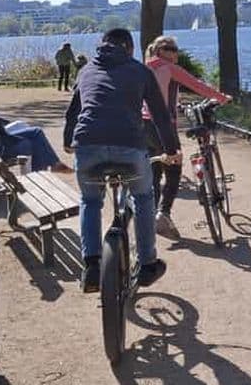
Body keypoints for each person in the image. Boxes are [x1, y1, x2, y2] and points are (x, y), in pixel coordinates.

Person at [63, 28, 181, 294]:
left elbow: (73, 113)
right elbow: (160, 115)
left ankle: (92, 265)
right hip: (129, 145)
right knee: (143, 196)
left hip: (88, 145)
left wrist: (67, 142)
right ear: (130, 48)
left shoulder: (86, 71)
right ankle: (148, 263)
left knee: (90, 200)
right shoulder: (140, 71)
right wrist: (171, 149)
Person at [143, 35, 230, 239]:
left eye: (175, 48)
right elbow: (196, 85)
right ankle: (163, 214)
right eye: (171, 48)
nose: (175, 53)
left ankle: (150, 216)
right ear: (161, 51)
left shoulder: (144, 68)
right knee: (174, 169)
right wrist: (222, 98)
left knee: (154, 171)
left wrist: (178, 105)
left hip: (143, 124)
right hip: (163, 125)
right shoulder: (169, 68)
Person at [0, 86, 72, 172]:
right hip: (0, 149)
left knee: (32, 134)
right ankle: (48, 167)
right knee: (36, 134)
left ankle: (47, 167)